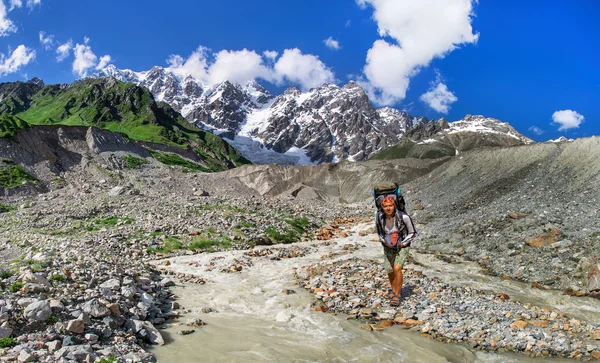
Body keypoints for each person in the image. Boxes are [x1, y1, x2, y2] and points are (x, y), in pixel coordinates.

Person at [375, 195, 417, 306]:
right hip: (388, 245)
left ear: (394, 206)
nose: (388, 208)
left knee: (397, 268)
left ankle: (397, 295)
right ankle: (394, 290)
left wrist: (403, 243)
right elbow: (379, 232)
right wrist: (383, 241)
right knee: (389, 269)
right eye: (385, 206)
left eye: (390, 206)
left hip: (402, 245)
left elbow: (413, 232)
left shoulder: (404, 217)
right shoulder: (380, 217)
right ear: (382, 207)